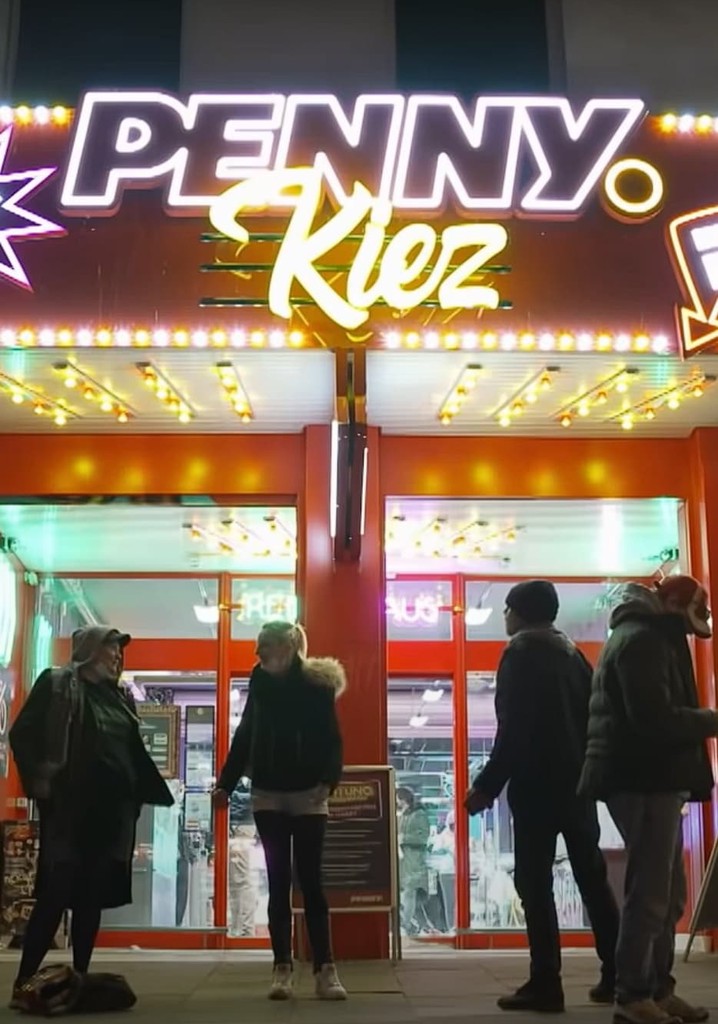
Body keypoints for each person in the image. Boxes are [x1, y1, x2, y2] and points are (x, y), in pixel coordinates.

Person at [464, 580, 619, 1013]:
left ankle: (546, 981)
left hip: (536, 786)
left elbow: (514, 728)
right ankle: (617, 973)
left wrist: (487, 786)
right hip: (577, 784)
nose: (503, 616)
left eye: (507, 608)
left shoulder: (519, 654)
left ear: (519, 612)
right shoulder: (573, 656)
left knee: (534, 882)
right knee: (592, 876)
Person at [8, 626, 173, 1007]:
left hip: (112, 814)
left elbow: (131, 750)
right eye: (109, 651)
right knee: (55, 893)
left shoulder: (120, 697)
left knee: (91, 897)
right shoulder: (59, 684)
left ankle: (79, 978)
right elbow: (23, 733)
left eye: (118, 652)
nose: (116, 657)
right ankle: (24, 979)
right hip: (70, 810)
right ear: (88, 651)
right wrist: (40, 778)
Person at [579, 576, 718, 1024]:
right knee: (652, 894)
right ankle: (634, 994)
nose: (690, 634)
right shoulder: (642, 641)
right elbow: (654, 720)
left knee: (667, 893)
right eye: (690, 622)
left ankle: (656, 989)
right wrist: (712, 720)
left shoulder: (645, 634)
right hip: (644, 779)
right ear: (673, 605)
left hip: (650, 778)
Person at [212, 621, 347, 1001]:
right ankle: (282, 967)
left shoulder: (317, 685)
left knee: (312, 882)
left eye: (264, 646)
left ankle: (325, 969)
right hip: (268, 792)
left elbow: (331, 737)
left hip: (308, 793)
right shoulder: (260, 683)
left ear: (287, 647)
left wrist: (327, 781)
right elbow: (245, 733)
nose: (257, 654)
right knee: (278, 880)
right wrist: (225, 782)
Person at [396, 786, 432, 936]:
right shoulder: (404, 814)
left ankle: (406, 925)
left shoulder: (419, 815)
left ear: (403, 799)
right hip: (405, 861)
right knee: (405, 894)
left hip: (414, 861)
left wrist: (403, 839)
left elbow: (423, 837)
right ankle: (411, 925)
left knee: (409, 893)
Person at [228, 783, 257, 937]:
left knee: (240, 881)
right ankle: (240, 927)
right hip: (241, 824)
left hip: (239, 825)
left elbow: (246, 795)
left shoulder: (244, 772)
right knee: (237, 881)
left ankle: (244, 929)